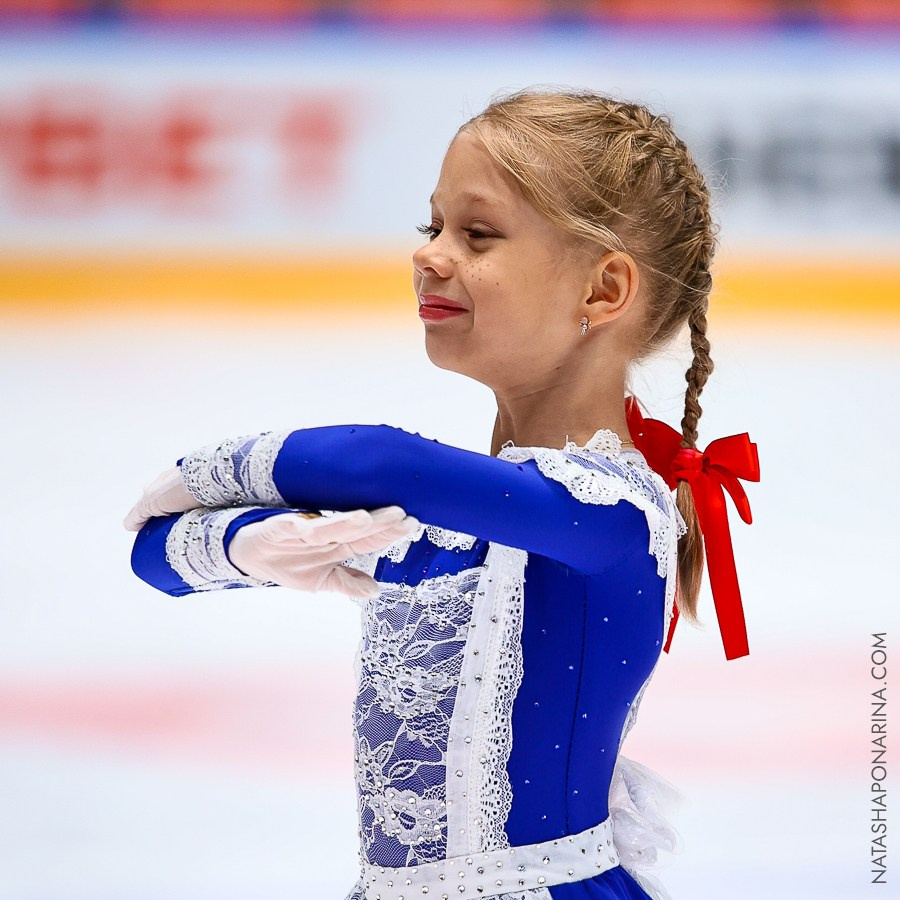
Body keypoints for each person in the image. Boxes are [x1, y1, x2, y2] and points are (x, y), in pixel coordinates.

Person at [124, 89, 759, 900]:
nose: (430, 255)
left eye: (478, 235)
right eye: (432, 228)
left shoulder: (608, 512)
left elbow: (377, 463)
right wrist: (246, 544)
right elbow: (153, 559)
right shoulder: (467, 512)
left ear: (602, 290)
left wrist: (207, 476)